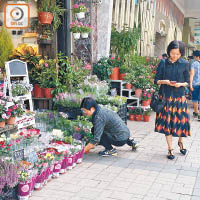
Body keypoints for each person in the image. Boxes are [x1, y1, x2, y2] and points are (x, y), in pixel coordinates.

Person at [154, 40, 190, 160]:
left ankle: (180, 142)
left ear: (181, 54)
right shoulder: (163, 63)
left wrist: (180, 84)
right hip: (166, 98)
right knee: (167, 124)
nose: (175, 56)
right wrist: (165, 82)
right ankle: (170, 149)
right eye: (173, 53)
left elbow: (187, 82)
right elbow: (156, 80)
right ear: (169, 51)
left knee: (180, 123)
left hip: (180, 98)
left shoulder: (185, 63)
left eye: (178, 54)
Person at [189, 50, 200, 118]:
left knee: (195, 99)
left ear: (197, 57)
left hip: (195, 84)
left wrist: (190, 84)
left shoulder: (194, 64)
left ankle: (196, 112)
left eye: (194, 56)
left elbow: (192, 74)